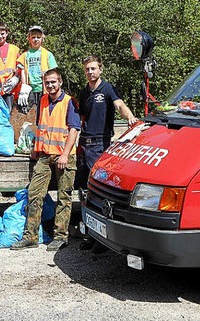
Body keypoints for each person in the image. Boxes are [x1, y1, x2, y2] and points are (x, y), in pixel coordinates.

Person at [11, 69, 80, 252]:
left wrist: (65, 154)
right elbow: (41, 127)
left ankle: (60, 236)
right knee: (34, 195)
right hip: (44, 155)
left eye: (53, 82)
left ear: (60, 82)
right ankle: (30, 237)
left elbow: (74, 130)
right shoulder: (42, 100)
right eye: (47, 82)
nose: (50, 85)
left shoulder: (69, 102)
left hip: (64, 156)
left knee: (64, 197)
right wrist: (35, 149)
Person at [76, 55, 138, 251]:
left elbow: (119, 105)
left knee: (100, 191)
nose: (90, 72)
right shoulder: (83, 93)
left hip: (100, 145)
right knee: (85, 191)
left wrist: (129, 117)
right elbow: (80, 120)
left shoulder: (107, 89)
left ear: (100, 70)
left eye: (93, 68)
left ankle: (103, 238)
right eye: (87, 69)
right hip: (84, 144)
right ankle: (90, 234)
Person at [16, 25, 58, 115]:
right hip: (30, 88)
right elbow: (22, 71)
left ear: (42, 38)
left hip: (44, 88)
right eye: (33, 37)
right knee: (27, 111)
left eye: (38, 37)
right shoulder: (25, 55)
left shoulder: (47, 54)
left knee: (45, 111)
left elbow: (53, 72)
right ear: (29, 38)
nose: (36, 39)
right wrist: (24, 86)